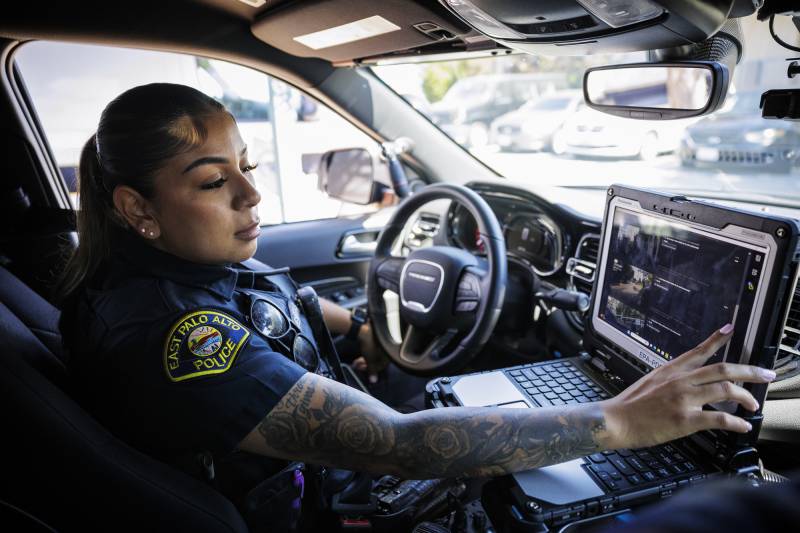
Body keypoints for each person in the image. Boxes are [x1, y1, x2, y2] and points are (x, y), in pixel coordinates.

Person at [58, 83, 776, 531]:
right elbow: (398, 442)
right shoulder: (178, 337)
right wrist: (621, 419)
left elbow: (284, 300)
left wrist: (366, 326)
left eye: (247, 165)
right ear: (136, 208)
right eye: (216, 182)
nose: (252, 195)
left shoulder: (175, 272)